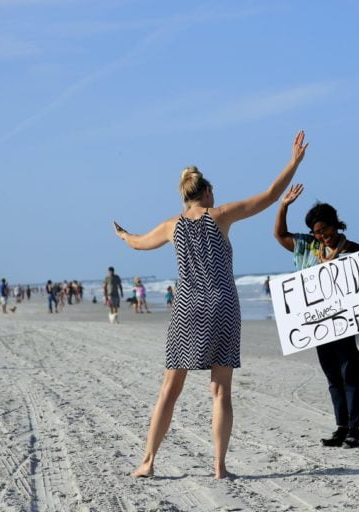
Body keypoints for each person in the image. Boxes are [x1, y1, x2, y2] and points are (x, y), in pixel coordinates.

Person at [115, 130, 307, 479]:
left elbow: (138, 244)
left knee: (169, 390)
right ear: (205, 192)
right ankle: (219, 467)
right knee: (220, 390)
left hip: (187, 307)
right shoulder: (220, 215)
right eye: (213, 191)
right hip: (222, 306)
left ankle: (147, 462)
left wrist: (124, 235)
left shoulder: (171, 226)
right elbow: (270, 195)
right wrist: (293, 162)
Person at [274, 183, 359, 449]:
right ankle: (341, 427)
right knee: (333, 379)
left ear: (335, 225)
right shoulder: (308, 248)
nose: (321, 236)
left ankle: (355, 429)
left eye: (325, 230)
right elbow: (280, 234)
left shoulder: (354, 250)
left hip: (346, 325)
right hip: (319, 327)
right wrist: (283, 205)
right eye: (316, 232)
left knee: (350, 376)